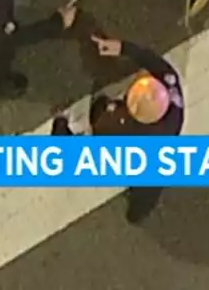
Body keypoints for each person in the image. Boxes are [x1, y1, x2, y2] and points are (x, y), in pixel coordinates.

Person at [52, 35, 185, 223]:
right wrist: (123, 48)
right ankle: (137, 213)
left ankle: (138, 211)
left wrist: (60, 122)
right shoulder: (171, 105)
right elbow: (160, 66)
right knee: (149, 189)